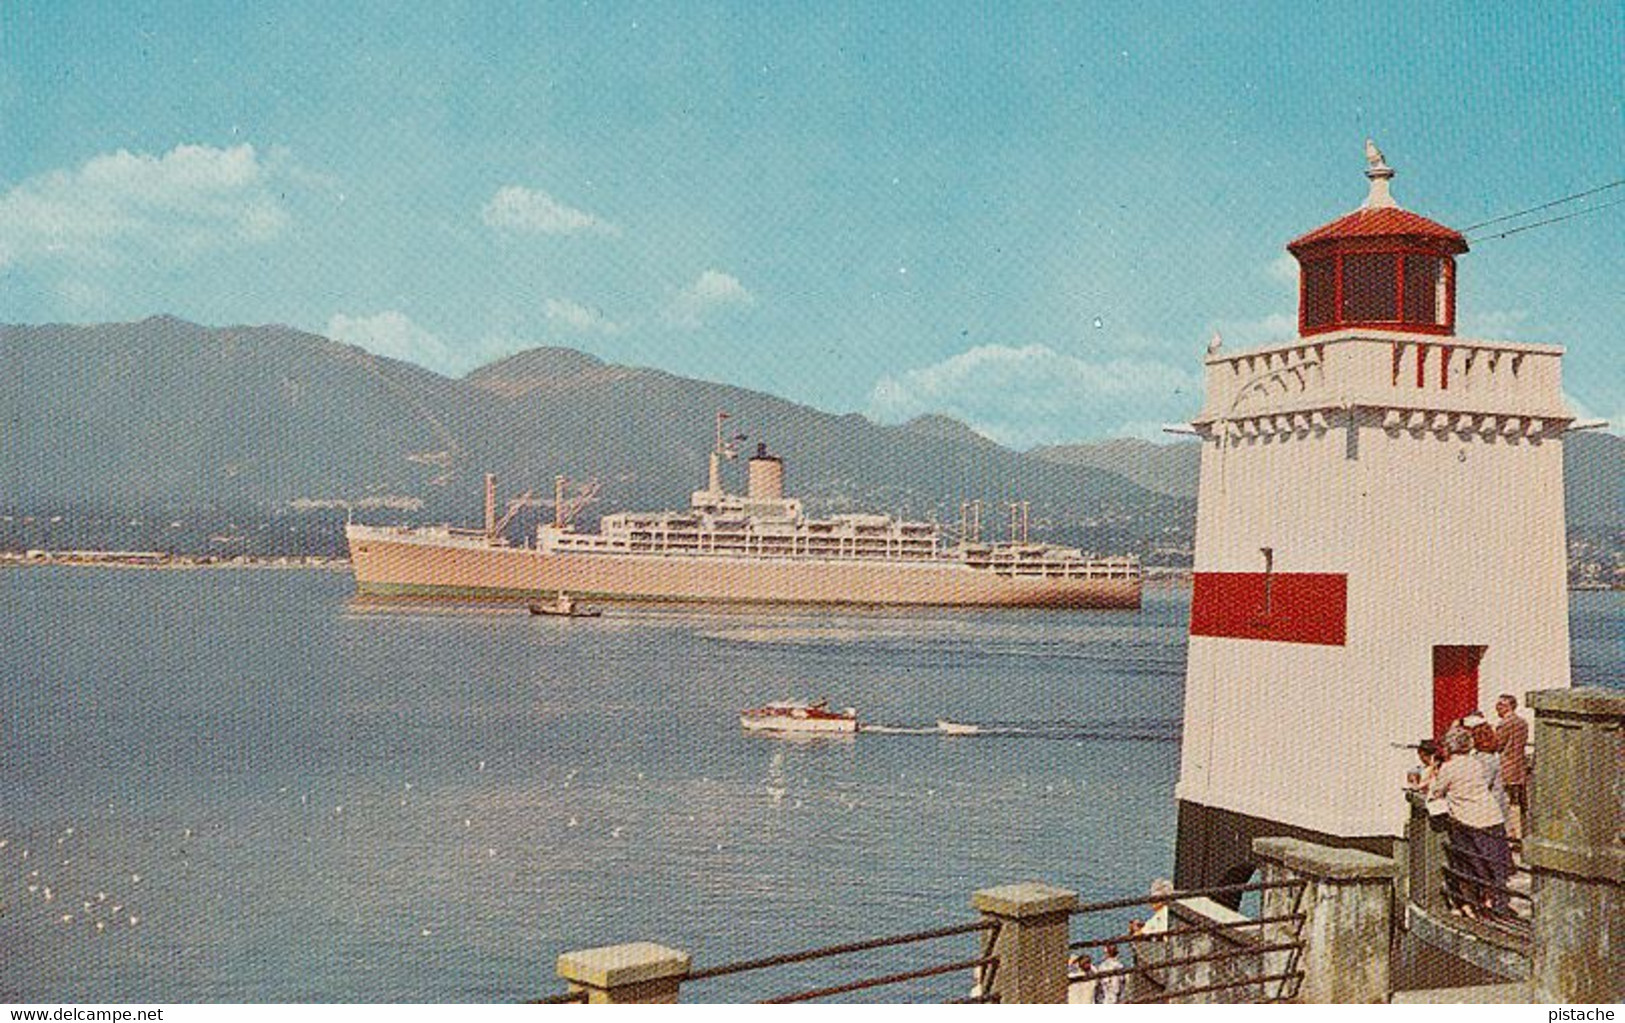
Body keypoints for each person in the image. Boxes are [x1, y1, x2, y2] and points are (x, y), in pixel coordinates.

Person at [1429, 726, 1512, 918]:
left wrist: (1434, 773)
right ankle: (1495, 905)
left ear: (1449, 747)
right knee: (1494, 866)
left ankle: (1474, 905)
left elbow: (1436, 793)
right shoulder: (1476, 763)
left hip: (1469, 820)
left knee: (1471, 865)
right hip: (1492, 815)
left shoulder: (1449, 768)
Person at [1494, 694, 1530, 841]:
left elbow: (1498, 744)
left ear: (1508, 706)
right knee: (1516, 803)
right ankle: (1520, 832)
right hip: (1519, 765)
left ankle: (1510, 833)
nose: (1497, 707)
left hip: (1506, 765)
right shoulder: (1523, 723)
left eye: (1500, 705)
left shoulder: (1504, 724)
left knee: (1506, 801)